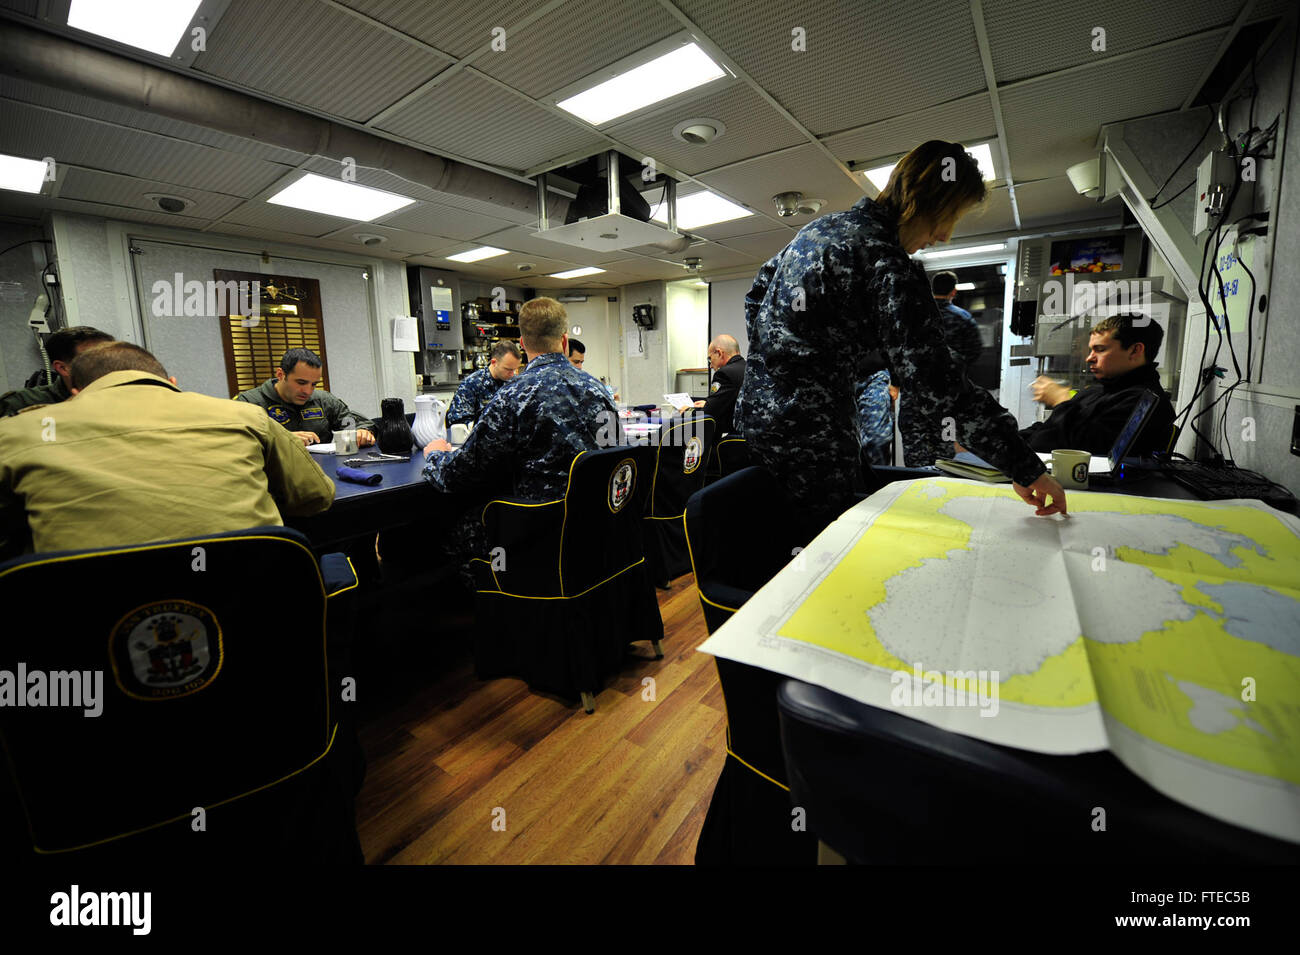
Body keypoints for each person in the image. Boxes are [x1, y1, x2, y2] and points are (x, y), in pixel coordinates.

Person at [737, 140, 1066, 531]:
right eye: (950, 218)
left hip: (754, 423)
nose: (944, 236)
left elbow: (757, 295)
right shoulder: (888, 264)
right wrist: (1026, 467)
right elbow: (937, 385)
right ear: (929, 204)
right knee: (826, 550)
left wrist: (783, 358)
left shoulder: (818, 229)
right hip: (814, 439)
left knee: (765, 539)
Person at [0, 342, 334, 559]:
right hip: (249, 591)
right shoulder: (245, 412)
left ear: (75, 392)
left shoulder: (16, 431)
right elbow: (315, 496)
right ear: (171, 382)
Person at [421, 298, 618, 576]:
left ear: (523, 344)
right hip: (595, 520)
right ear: (564, 341)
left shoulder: (512, 395)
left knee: (454, 528)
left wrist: (435, 456)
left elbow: (461, 472)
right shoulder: (600, 390)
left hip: (536, 523)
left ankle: (498, 604)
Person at [1021, 312, 1176, 455]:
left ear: (1135, 350)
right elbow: (1047, 429)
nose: (1089, 358)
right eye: (1091, 350)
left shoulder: (1145, 403)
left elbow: (1088, 451)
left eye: (1100, 349)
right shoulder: (1095, 391)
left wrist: (1061, 401)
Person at [899, 270, 984, 466]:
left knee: (914, 459)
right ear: (953, 292)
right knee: (945, 458)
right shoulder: (963, 318)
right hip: (948, 400)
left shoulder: (912, 316)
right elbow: (973, 353)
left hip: (914, 398)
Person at [235, 347, 374, 447]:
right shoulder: (249, 402)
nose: (308, 391)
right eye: (301, 383)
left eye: (314, 384)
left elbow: (350, 423)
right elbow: (236, 441)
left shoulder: (323, 400)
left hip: (323, 472)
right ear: (280, 375)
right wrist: (282, 438)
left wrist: (362, 431)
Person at [1, 325, 114, 416]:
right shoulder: (21, 404)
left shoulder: (124, 393)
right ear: (63, 368)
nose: (108, 366)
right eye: (96, 360)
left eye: (110, 357)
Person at [679, 335, 745, 432]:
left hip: (727, 434)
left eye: (710, 358)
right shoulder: (747, 368)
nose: (710, 365)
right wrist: (708, 403)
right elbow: (730, 400)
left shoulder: (724, 373)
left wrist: (687, 411)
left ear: (719, 353)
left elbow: (708, 415)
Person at [446, 340, 521, 426]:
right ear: (494, 363)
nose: (512, 374)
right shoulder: (472, 384)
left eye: (515, 369)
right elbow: (457, 422)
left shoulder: (514, 383)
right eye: (508, 369)